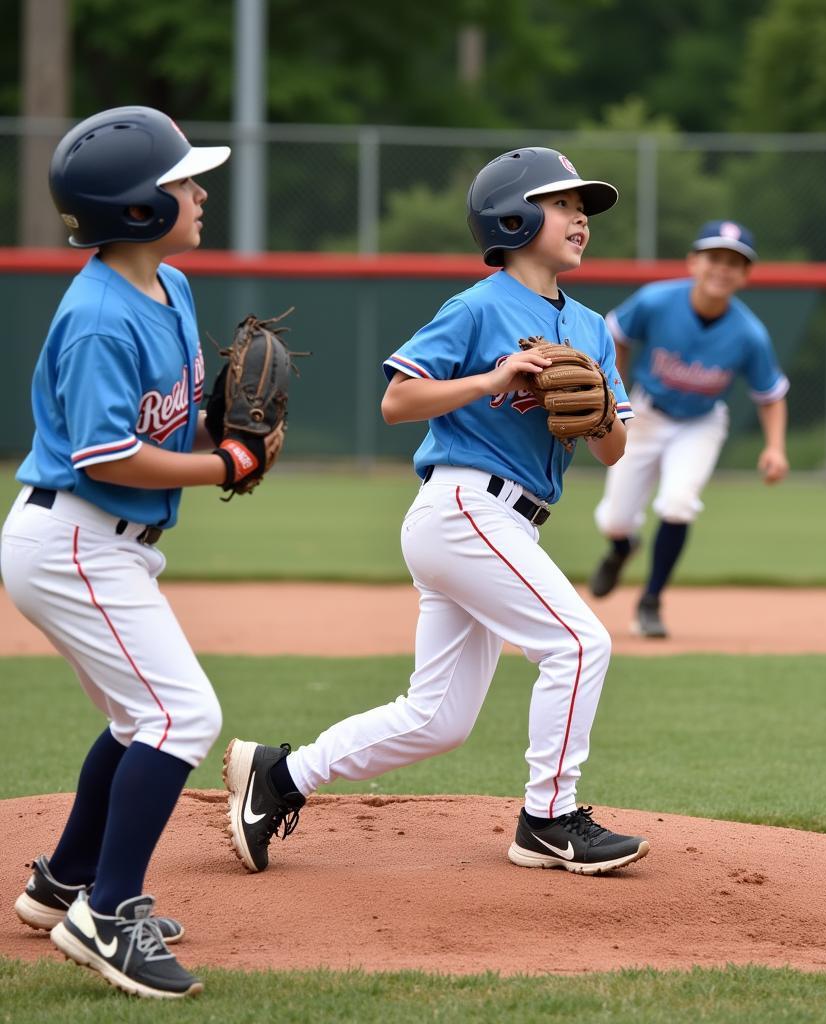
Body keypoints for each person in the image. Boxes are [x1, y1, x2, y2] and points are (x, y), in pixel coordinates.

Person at [223, 147, 650, 878]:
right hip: (463, 505)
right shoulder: (478, 306)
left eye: (585, 208)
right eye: (563, 204)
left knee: (437, 719)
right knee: (579, 645)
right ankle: (548, 819)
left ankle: (278, 777)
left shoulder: (589, 328)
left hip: (505, 522)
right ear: (513, 217)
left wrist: (602, 410)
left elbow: (615, 453)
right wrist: (495, 377)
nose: (581, 217)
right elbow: (397, 401)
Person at [1, 106, 276, 999]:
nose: (199, 192)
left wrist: (221, 429)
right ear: (136, 209)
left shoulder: (172, 287)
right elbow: (107, 453)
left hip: (105, 543)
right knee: (181, 718)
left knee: (138, 717)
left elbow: (175, 413)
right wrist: (223, 460)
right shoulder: (96, 319)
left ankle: (62, 885)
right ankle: (108, 915)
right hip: (73, 536)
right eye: (182, 182)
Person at [588, 220, 790, 637]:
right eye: (714, 258)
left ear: (746, 275)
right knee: (615, 520)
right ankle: (622, 547)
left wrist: (775, 448)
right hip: (645, 413)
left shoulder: (750, 334)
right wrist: (613, 389)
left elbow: (770, 395)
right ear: (693, 262)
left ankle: (651, 601)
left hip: (701, 423)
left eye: (734, 263)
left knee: (679, 503)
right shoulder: (657, 301)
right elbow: (615, 335)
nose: (722, 269)